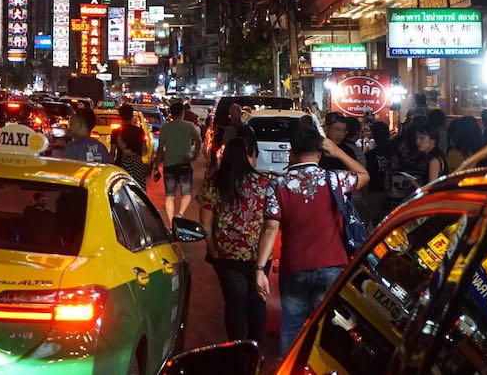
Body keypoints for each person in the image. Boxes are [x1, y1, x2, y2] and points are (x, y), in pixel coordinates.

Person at [256, 127, 369, 352]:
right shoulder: (335, 179)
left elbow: (270, 228)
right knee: (327, 326)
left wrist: (260, 269)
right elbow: (364, 175)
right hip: (332, 266)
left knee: (292, 327)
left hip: (295, 266)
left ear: (291, 153)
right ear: (319, 153)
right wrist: (337, 152)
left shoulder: (277, 185)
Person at [198, 136, 269, 342]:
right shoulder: (263, 184)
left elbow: (205, 223)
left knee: (235, 304)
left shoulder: (216, 181)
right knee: (257, 301)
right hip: (259, 254)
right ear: (249, 157)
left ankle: (236, 349)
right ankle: (255, 348)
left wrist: (212, 248)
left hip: (226, 254)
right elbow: (271, 223)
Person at [157, 100, 202, 219]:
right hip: (185, 163)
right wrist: (194, 156)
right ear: (183, 112)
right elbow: (198, 140)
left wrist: (156, 166)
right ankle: (180, 214)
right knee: (186, 194)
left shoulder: (165, 127)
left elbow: (160, 148)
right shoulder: (189, 126)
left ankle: (171, 221)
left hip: (169, 163)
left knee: (169, 195)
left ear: (170, 113)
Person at [112, 104, 153, 188]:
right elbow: (145, 151)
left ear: (120, 116)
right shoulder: (139, 131)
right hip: (136, 166)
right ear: (132, 115)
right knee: (138, 190)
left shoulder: (116, 132)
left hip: (120, 165)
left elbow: (112, 153)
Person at [362, 120, 394, 225]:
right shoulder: (395, 152)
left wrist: (366, 197)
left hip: (374, 193)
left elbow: (366, 178)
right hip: (393, 194)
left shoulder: (369, 155)